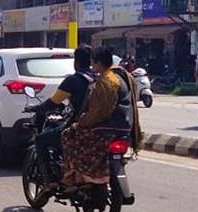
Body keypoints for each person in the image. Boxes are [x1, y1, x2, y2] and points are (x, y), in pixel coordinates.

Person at [61, 47, 133, 187]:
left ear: (98, 63)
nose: (92, 65)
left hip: (105, 128)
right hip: (123, 126)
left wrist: (81, 122)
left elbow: (98, 112)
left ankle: (76, 176)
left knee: (67, 135)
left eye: (93, 62)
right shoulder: (119, 76)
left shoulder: (106, 82)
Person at [32, 45, 94, 187]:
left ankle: (49, 180)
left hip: (78, 128)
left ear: (76, 62)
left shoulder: (74, 80)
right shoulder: (98, 78)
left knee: (40, 140)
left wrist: (38, 108)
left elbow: (53, 102)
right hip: (98, 127)